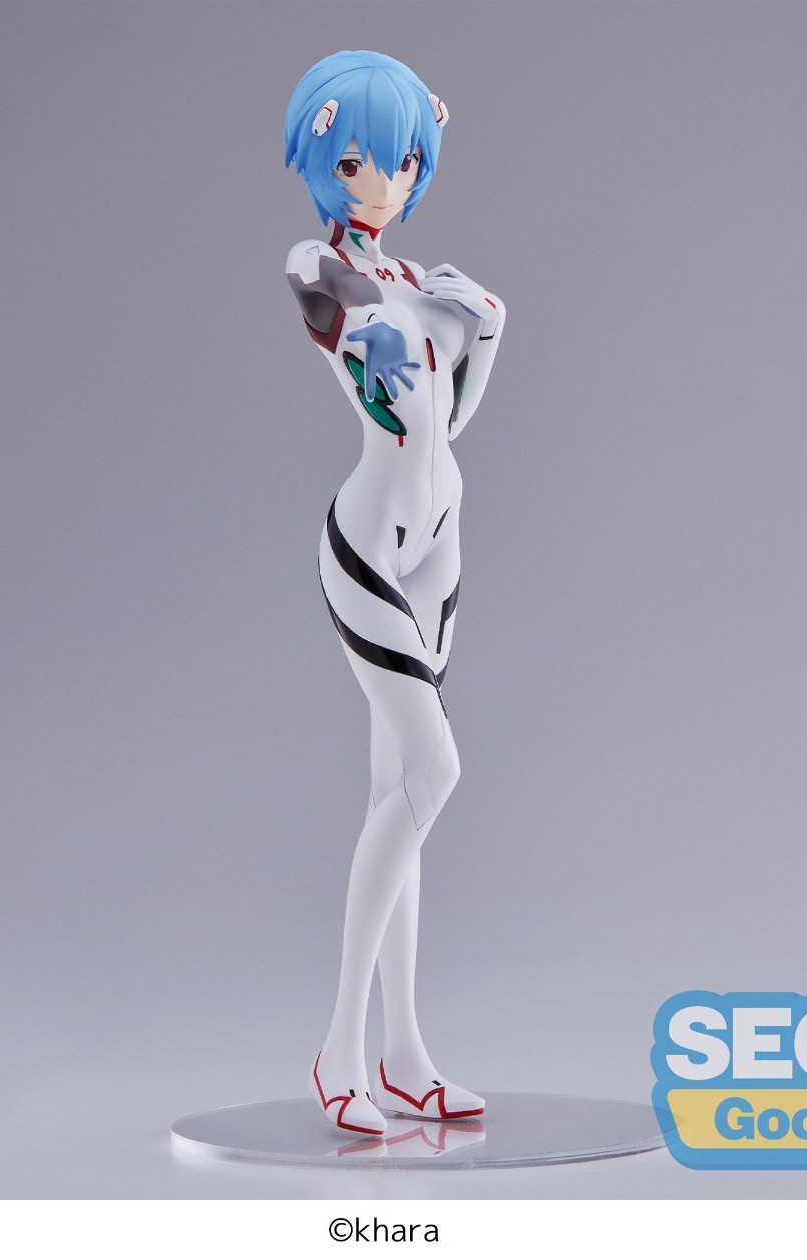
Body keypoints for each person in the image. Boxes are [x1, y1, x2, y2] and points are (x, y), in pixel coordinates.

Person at [285, 50, 505, 1135]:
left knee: (400, 797)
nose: (385, 180)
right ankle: (339, 1050)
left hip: (441, 541)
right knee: (435, 769)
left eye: (407, 158)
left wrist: (488, 329)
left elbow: (445, 423)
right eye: (361, 160)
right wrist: (408, 324)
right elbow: (376, 386)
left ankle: (405, 1053)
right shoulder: (318, 265)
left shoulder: (422, 280)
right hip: (370, 543)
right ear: (325, 160)